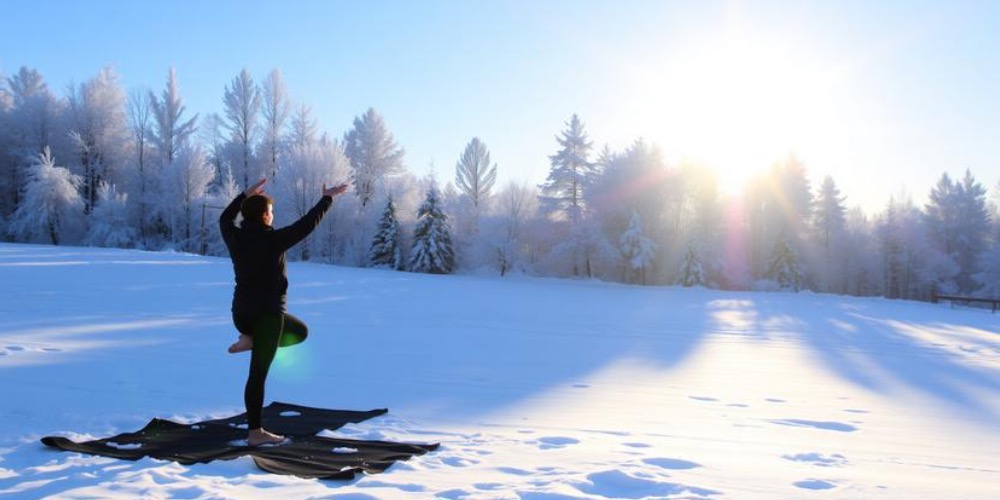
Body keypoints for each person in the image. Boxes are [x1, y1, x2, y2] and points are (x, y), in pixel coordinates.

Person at [219, 177, 349, 446]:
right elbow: (307, 224)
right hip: (268, 316)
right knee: (258, 373)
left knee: (300, 331)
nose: (273, 216)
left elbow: (224, 218)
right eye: (272, 212)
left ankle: (249, 338)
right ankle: (255, 432)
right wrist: (327, 198)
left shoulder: (236, 237)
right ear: (266, 216)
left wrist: (244, 195)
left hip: (240, 313)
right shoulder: (274, 240)